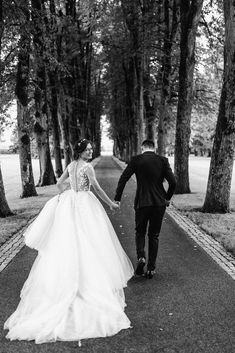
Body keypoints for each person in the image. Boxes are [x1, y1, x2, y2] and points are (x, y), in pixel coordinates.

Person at [4, 139, 134, 345]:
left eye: (92, 149)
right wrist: (111, 204)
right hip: (85, 203)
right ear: (80, 151)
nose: (91, 152)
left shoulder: (71, 166)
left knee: (69, 241)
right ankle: (85, 286)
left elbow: (58, 184)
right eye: (88, 149)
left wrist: (66, 194)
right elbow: (97, 189)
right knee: (89, 240)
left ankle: (68, 284)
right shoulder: (87, 167)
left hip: (70, 202)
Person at [114, 139, 176, 279]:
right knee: (154, 235)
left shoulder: (137, 160)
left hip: (142, 202)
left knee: (140, 232)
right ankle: (151, 269)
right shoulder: (162, 160)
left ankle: (141, 256)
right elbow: (173, 182)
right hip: (159, 203)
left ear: (142, 148)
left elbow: (123, 178)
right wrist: (167, 198)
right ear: (153, 148)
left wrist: (117, 198)